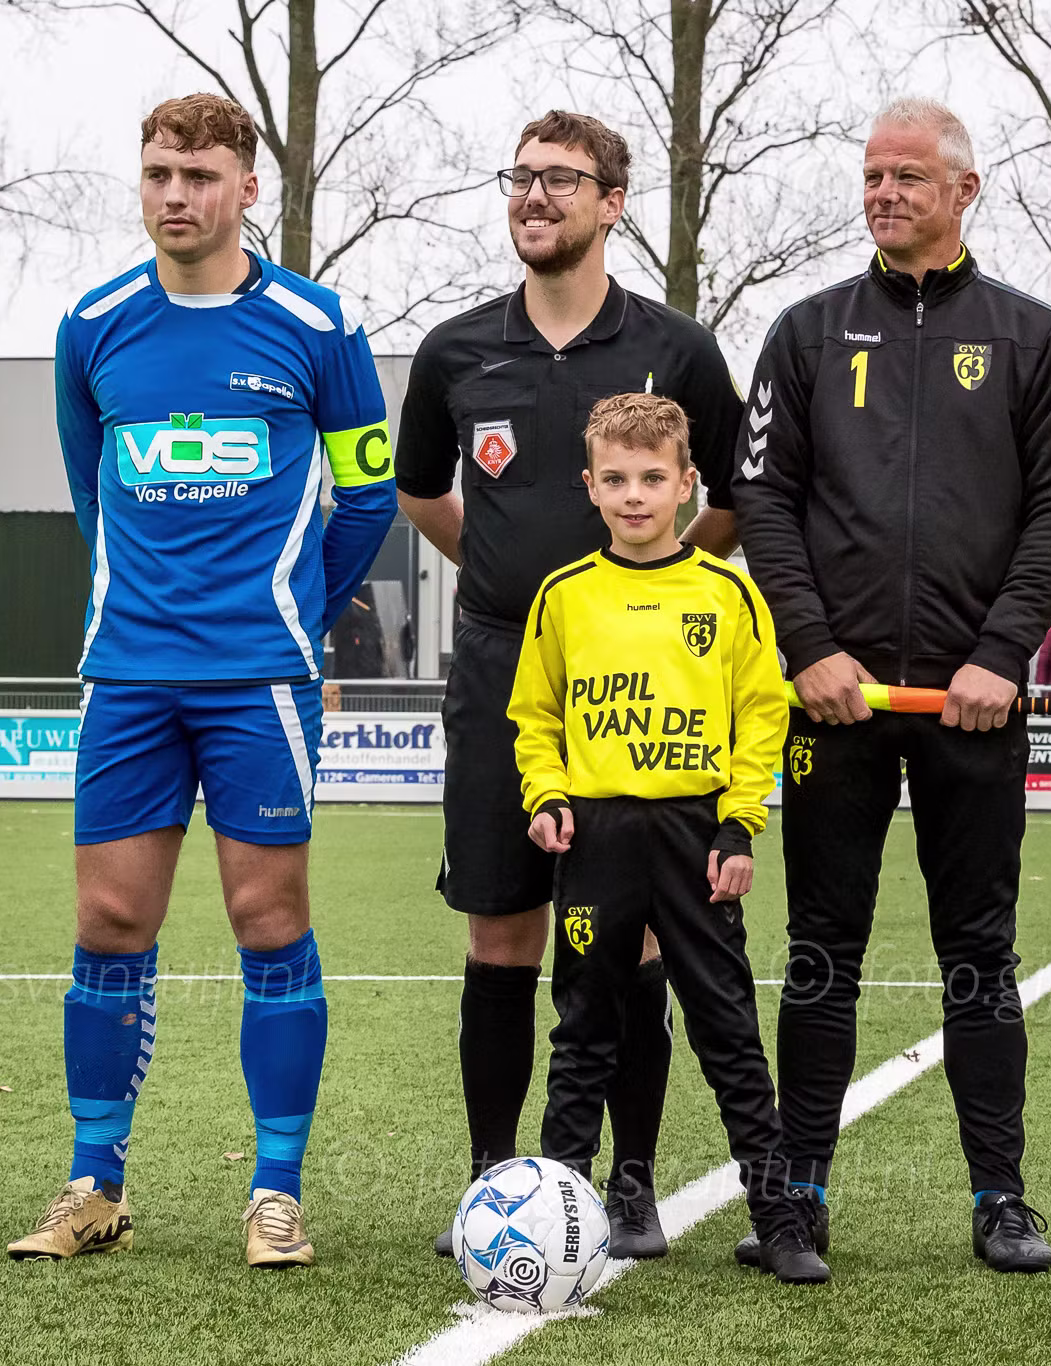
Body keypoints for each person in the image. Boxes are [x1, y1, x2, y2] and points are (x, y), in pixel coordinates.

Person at [9, 94, 396, 1266]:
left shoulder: (318, 323)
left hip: (259, 680)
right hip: (129, 672)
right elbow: (92, 496)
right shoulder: (91, 325)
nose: (175, 194)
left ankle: (275, 1191)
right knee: (108, 920)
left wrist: (296, 615)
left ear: (246, 187)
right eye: (158, 173)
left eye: (199, 174)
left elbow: (367, 495)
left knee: (267, 919)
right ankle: (93, 1184)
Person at [730, 97, 1051, 1273]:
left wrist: (1001, 653)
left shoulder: (1031, 338)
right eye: (871, 175)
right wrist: (807, 647)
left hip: (970, 705)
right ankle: (798, 1196)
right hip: (831, 703)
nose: (882, 193)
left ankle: (1000, 1197)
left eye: (906, 176)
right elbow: (764, 502)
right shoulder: (803, 333)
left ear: (963, 190)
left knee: (978, 950)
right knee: (819, 947)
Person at [396, 110, 745, 1259]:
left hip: (638, 689)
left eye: (560, 178)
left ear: (611, 202)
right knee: (500, 930)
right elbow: (421, 492)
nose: (534, 195)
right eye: (520, 176)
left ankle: (629, 1184)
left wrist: (636, 596)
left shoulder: (676, 349)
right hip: (501, 668)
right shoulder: (455, 350)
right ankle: (494, 1180)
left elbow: (736, 500)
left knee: (627, 941)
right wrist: (528, 594)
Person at [510, 393, 827, 1284]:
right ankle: (558, 1219)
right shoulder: (564, 594)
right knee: (583, 1033)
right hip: (597, 837)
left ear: (688, 484)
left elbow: (760, 716)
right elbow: (535, 715)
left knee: (727, 1031)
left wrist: (739, 823)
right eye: (615, 479)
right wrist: (546, 793)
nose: (635, 495)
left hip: (696, 837)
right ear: (590, 486)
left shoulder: (727, 591)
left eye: (653, 478)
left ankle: (779, 1221)